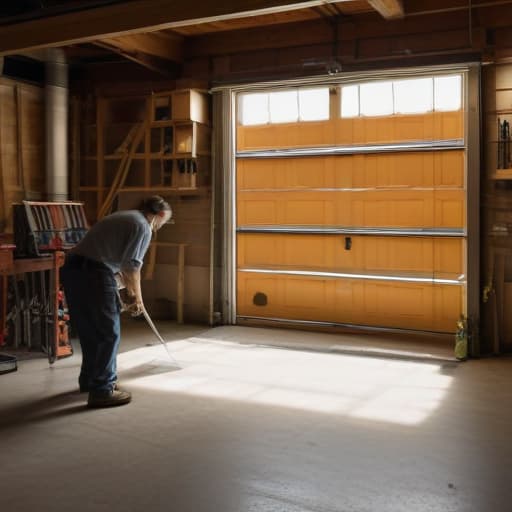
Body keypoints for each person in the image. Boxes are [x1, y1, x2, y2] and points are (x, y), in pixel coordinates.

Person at [60, 196, 172, 408]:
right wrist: (138, 298)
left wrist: (127, 291)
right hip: (95, 272)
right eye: (163, 222)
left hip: (73, 270)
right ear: (159, 215)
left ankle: (91, 382)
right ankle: (102, 390)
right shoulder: (143, 226)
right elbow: (132, 266)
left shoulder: (124, 217)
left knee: (89, 330)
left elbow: (117, 264)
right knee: (107, 333)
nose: (161, 226)